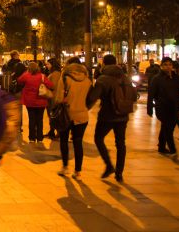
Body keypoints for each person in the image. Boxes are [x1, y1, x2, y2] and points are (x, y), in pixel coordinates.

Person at [87, 54, 131, 183]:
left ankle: (109, 165)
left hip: (107, 115)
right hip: (123, 115)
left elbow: (92, 98)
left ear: (104, 64)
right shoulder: (125, 77)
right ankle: (119, 173)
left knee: (98, 138)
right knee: (121, 143)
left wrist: (85, 107)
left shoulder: (103, 79)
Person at [53, 57, 92, 180]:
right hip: (82, 115)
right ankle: (78, 171)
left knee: (64, 141)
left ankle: (65, 167)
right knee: (78, 142)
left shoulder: (65, 78)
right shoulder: (87, 79)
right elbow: (91, 98)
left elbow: (59, 98)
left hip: (67, 114)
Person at [147, 58, 179, 156]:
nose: (168, 67)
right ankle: (173, 149)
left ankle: (161, 147)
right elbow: (151, 94)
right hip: (161, 108)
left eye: (170, 64)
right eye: (166, 65)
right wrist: (149, 108)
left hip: (174, 107)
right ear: (161, 66)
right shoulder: (157, 79)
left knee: (167, 127)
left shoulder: (177, 78)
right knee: (168, 127)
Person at [18, 62, 54, 143]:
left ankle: (32, 138)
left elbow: (19, 80)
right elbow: (51, 85)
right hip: (41, 101)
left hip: (29, 102)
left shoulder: (26, 75)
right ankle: (40, 137)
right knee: (40, 119)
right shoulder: (42, 76)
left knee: (31, 119)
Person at [45, 58, 62, 139]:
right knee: (52, 115)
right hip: (52, 97)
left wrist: (45, 84)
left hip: (53, 97)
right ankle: (51, 131)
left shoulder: (55, 74)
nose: (47, 66)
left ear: (53, 65)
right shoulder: (55, 73)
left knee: (54, 115)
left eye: (48, 64)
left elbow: (53, 85)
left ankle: (58, 132)